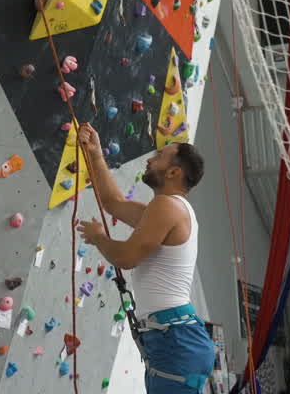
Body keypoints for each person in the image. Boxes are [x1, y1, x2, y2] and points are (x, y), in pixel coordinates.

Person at [75, 123, 216, 393]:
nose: (150, 160)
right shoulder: (168, 209)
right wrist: (95, 154)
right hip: (173, 338)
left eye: (159, 156)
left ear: (174, 172)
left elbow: (127, 257)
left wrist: (99, 238)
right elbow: (113, 202)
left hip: (174, 339)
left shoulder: (168, 207)